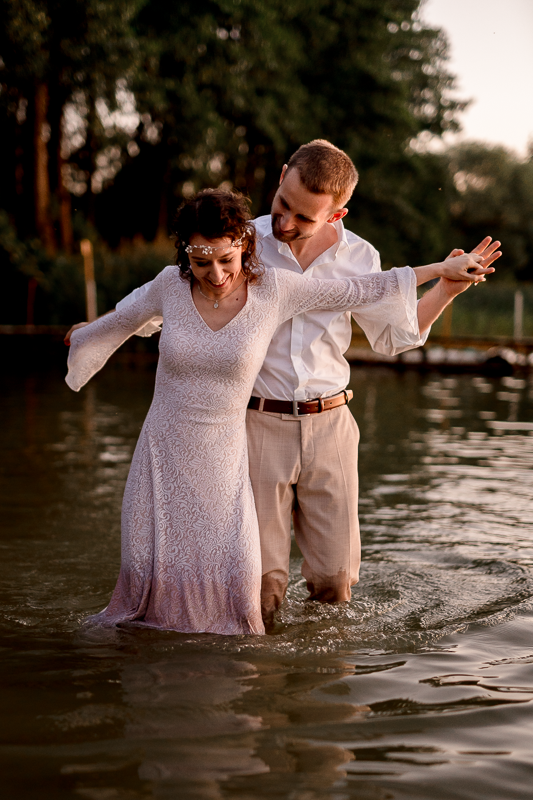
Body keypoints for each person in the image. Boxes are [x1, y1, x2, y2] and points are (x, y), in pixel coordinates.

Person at [102, 141, 501, 627]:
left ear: (337, 214)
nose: (285, 222)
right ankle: (262, 686)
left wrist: (445, 288)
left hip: (330, 424)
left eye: (304, 218)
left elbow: (395, 338)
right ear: (282, 175)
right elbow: (178, 299)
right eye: (282, 205)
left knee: (335, 581)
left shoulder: (360, 257)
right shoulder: (238, 242)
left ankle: (318, 685)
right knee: (261, 584)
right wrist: (106, 329)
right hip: (255, 424)